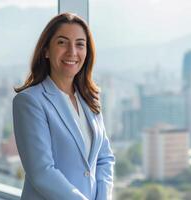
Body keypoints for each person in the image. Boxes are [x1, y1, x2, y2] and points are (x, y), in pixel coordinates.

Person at [12, 12, 115, 200]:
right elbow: (42, 172)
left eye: (80, 44)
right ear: (46, 50)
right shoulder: (29, 102)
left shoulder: (90, 98)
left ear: (87, 52)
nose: (72, 52)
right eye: (62, 42)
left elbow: (104, 159)